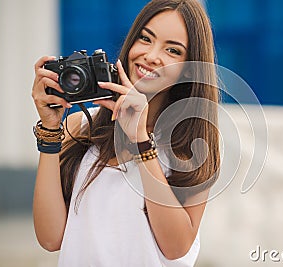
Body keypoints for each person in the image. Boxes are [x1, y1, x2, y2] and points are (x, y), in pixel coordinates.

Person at [31, 0, 220, 266]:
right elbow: (50, 239)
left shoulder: (191, 144)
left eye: (172, 50)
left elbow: (176, 247)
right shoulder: (79, 127)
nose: (152, 56)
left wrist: (141, 140)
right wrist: (50, 129)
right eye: (145, 38)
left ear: (189, 68)